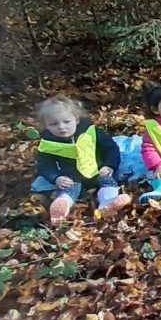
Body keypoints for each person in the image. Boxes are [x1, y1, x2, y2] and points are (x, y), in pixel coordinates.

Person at [35, 96, 131, 224]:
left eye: (66, 122)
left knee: (107, 181)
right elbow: (45, 165)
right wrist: (56, 177)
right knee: (69, 188)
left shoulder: (91, 132)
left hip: (98, 169)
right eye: (54, 124)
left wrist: (109, 165)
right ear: (46, 126)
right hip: (72, 175)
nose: (61, 127)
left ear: (76, 119)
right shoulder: (48, 143)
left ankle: (108, 203)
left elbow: (111, 148)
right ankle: (62, 205)